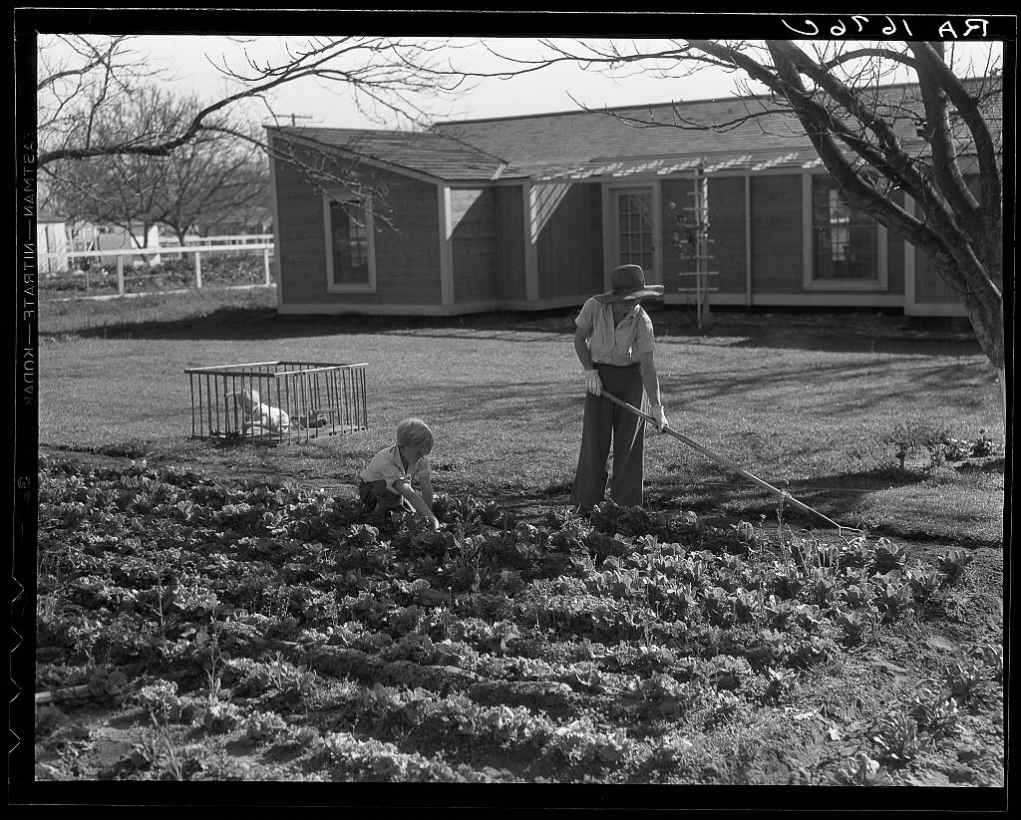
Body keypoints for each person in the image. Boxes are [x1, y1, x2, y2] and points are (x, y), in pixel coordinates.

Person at [571, 263, 669, 511]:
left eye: (636, 299)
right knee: (595, 442)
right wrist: (589, 370)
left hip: (630, 381)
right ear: (614, 297)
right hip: (599, 380)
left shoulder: (642, 321)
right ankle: (586, 506)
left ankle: (626, 509)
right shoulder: (594, 306)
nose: (632, 305)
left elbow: (647, 366)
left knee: (629, 446)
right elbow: (579, 338)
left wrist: (657, 407)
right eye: (627, 299)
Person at [359, 417, 440, 529]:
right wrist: (432, 518)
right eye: (418, 453)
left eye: (424, 454)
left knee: (406, 507)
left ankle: (394, 510)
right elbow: (407, 491)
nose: (421, 457)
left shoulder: (419, 459)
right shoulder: (387, 461)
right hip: (370, 489)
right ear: (403, 446)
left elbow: (426, 486)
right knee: (393, 502)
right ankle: (374, 518)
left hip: (395, 490)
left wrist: (429, 515)